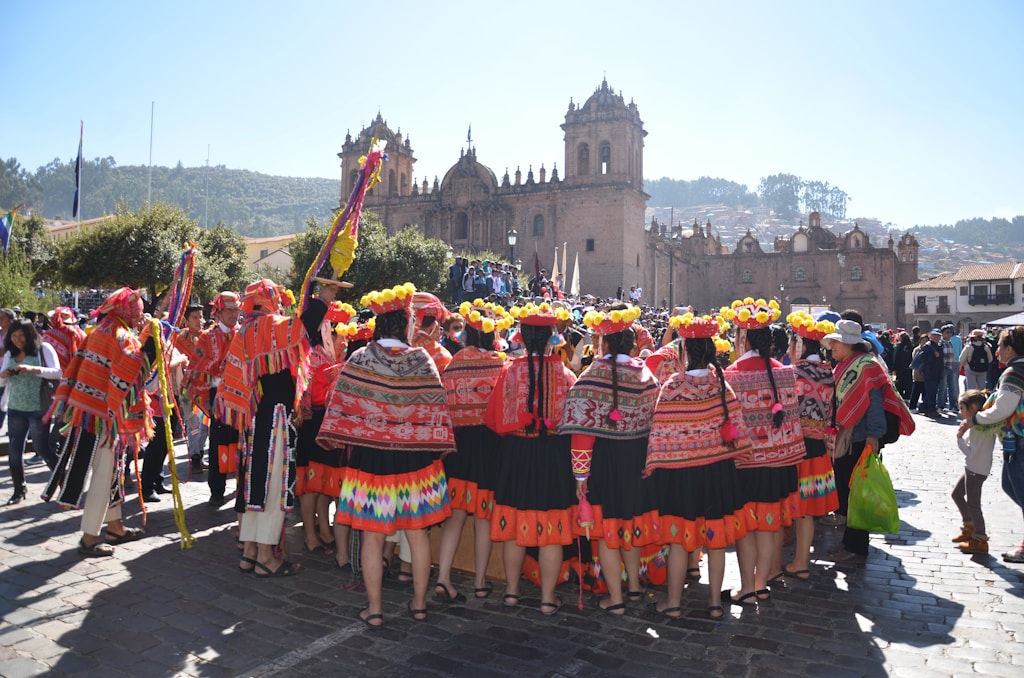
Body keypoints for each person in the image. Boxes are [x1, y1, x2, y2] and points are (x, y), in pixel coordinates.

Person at [317, 282, 454, 627]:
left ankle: (375, 609)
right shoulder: (422, 359)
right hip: (415, 459)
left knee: (373, 535)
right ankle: (419, 604)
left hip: (371, 460)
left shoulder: (360, 359)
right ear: (406, 323)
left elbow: (340, 405)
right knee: (417, 532)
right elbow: (437, 407)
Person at [217, 279, 333, 578]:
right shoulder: (270, 326)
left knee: (254, 483)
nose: (281, 305)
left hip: (253, 417)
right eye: (278, 299)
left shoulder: (245, 330)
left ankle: (250, 551)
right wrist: (323, 299)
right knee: (272, 485)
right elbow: (302, 328)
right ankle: (266, 557)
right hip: (275, 417)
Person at [643, 312, 753, 620]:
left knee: (679, 540)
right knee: (716, 541)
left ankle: (673, 603)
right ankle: (715, 604)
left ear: (685, 352)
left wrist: (655, 464)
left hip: (682, 477)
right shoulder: (722, 386)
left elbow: (660, 432)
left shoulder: (673, 386)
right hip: (718, 474)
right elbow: (737, 430)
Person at [561, 304, 659, 615]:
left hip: (604, 464)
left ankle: (615, 598)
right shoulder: (646, 374)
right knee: (629, 526)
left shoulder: (592, 375)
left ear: (603, 342)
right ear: (632, 344)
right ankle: (634, 587)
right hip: (637, 461)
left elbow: (581, 434)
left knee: (606, 532)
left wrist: (580, 476)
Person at [43, 288, 155, 556]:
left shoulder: (99, 331)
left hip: (87, 411)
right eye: (138, 311)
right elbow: (132, 372)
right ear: (128, 311)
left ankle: (115, 527)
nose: (139, 315)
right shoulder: (120, 335)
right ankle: (90, 537)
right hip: (102, 418)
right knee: (104, 475)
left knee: (111, 471)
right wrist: (151, 346)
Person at [485, 301, 578, 616]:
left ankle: (511, 592)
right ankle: (548, 599)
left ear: (522, 336)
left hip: (517, 455)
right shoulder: (566, 375)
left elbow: (494, 419)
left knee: (514, 527)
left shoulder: (509, 371)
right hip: (554, 457)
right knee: (552, 531)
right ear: (552, 336)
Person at [721, 297, 804, 604]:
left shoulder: (731, 374)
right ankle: (761, 583)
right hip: (779, 465)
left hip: (745, 466)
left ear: (742, 337)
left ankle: (746, 588)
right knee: (769, 526)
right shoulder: (784, 372)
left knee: (746, 529)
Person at [435, 300, 512, 603]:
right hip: (490, 447)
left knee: (454, 516)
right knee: (483, 517)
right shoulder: (500, 364)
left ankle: (443, 578)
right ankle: (480, 582)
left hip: (458, 447)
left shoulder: (454, 363)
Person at [822, 319, 914, 562]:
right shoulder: (848, 363)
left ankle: (856, 546)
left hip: (861, 437)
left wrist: (874, 436)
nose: (831, 346)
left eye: (835, 341)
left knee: (856, 492)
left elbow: (873, 404)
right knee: (846, 490)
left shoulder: (866, 366)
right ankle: (848, 541)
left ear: (848, 343)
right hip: (849, 435)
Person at [959, 326, 1024, 563]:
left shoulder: (1014, 373)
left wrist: (974, 419)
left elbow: (1003, 409)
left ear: (1010, 349)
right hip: (1016, 442)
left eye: (999, 347)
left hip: (1019, 441)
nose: (997, 352)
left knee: (1019, 490)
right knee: (1009, 485)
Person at [781, 312, 839, 579]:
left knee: (789, 505)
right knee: (807, 510)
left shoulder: (794, 373)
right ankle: (801, 561)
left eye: (792, 344)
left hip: (795, 447)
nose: (789, 350)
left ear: (801, 345)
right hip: (817, 448)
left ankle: (783, 563)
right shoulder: (828, 373)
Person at [295, 301, 354, 557]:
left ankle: (326, 531)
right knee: (311, 484)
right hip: (313, 424)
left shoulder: (333, 357)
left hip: (328, 424)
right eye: (342, 336)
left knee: (322, 482)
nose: (345, 342)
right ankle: (310, 535)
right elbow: (307, 394)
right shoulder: (314, 355)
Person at [1, 319, 62, 503]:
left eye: (21, 335)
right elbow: (2, 382)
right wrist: (3, 375)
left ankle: (64, 483)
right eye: (14, 336)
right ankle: (19, 489)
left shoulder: (44, 349)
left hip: (38, 408)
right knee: (14, 449)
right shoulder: (10, 353)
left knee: (42, 448)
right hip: (15, 408)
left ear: (30, 335)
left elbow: (57, 372)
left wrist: (33, 369)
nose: (18, 339)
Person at [189, 292, 241, 505]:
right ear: (218, 313)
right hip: (218, 396)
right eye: (229, 310)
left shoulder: (243, 334)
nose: (233, 314)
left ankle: (241, 487)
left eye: (236, 310)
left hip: (241, 397)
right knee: (218, 441)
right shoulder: (207, 337)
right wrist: (222, 369)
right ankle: (217, 490)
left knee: (241, 441)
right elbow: (197, 366)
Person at [951, 390, 996, 554]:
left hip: (976, 470)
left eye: (962, 408)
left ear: (973, 408)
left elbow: (971, 453)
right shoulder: (977, 425)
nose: (960, 412)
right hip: (972, 468)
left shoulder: (982, 429)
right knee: (957, 494)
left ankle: (980, 538)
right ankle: (969, 527)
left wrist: (959, 438)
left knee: (973, 504)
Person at [912, 329, 944, 416]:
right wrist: (933, 356)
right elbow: (921, 357)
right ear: (931, 336)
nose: (937, 337)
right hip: (930, 373)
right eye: (935, 335)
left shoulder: (939, 346)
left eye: (938, 336)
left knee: (932, 392)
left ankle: (923, 407)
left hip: (937, 372)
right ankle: (931, 410)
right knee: (931, 393)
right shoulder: (928, 346)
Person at [938, 324, 960, 413]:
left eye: (951, 332)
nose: (950, 334)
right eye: (947, 332)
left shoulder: (950, 342)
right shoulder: (941, 343)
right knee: (942, 388)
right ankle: (940, 406)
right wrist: (948, 356)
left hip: (951, 367)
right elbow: (939, 356)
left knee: (953, 387)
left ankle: (953, 406)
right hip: (943, 367)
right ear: (942, 333)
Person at [892, 331, 914, 400]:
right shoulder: (911, 346)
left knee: (899, 384)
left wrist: (894, 368)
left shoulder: (899, 346)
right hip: (909, 368)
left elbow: (896, 357)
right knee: (908, 384)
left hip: (900, 369)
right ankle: (908, 398)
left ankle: (900, 399)